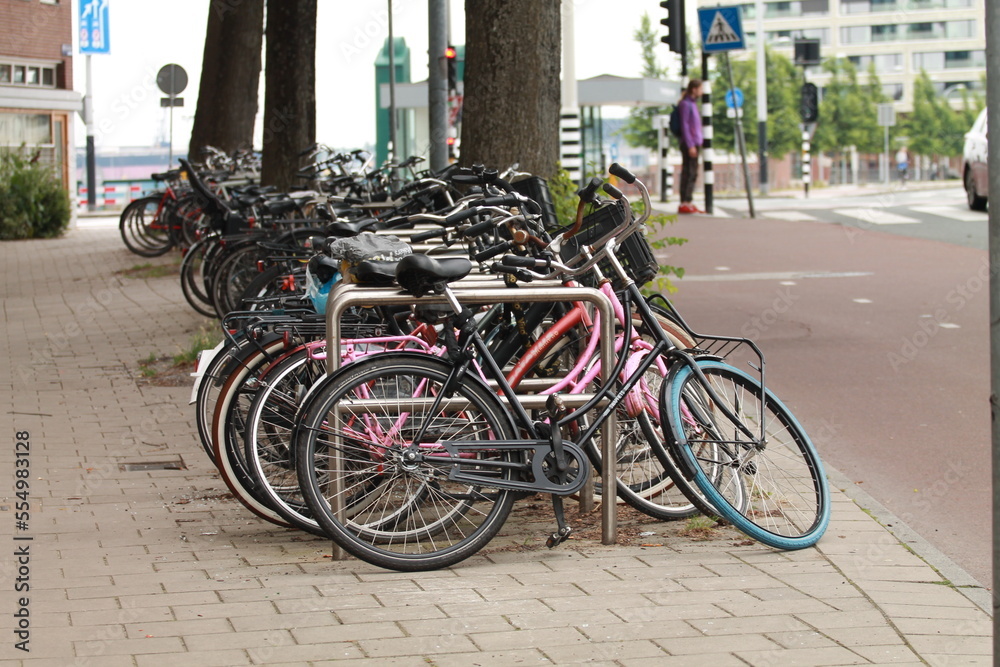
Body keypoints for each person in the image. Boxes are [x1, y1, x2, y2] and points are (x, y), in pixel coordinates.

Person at [677, 79, 704, 214]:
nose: (702, 91)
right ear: (694, 89)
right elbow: (685, 126)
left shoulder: (692, 104)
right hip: (689, 144)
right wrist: (690, 145)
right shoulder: (685, 104)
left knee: (693, 172)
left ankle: (688, 201)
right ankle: (685, 202)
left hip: (694, 143)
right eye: (700, 88)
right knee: (689, 172)